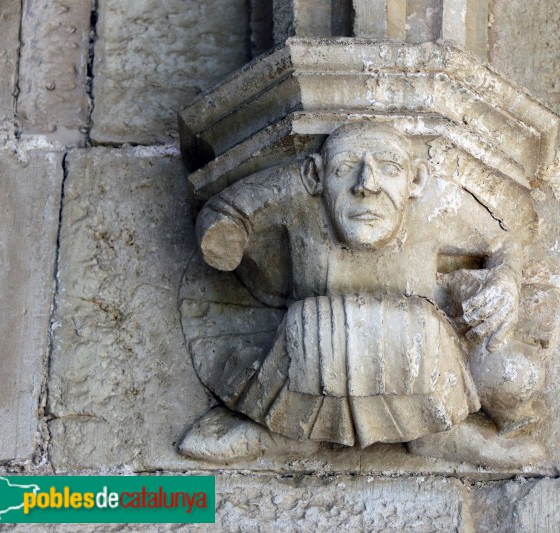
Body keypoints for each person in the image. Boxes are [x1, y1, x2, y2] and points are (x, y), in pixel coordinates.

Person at [185, 122, 541, 460]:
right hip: (309, 351)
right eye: (344, 169)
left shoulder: (435, 205)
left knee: (492, 364)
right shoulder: (297, 194)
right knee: (314, 325)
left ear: (414, 179)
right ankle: (288, 429)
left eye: (387, 167)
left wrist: (506, 279)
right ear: (315, 175)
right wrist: (224, 235)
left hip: (425, 350)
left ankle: (437, 430)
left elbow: (502, 241)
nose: (366, 184)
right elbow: (226, 208)